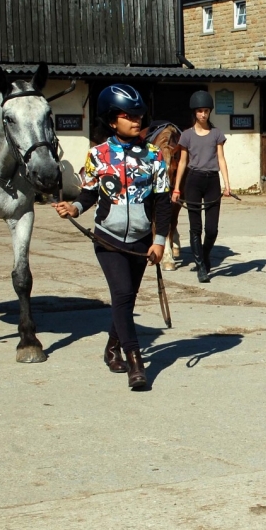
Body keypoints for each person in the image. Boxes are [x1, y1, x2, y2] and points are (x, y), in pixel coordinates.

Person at [51, 85, 170, 390]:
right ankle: (136, 361)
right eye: (128, 115)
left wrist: (159, 241)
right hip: (108, 239)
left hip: (142, 240)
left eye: (139, 115)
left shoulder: (154, 156)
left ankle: (111, 347)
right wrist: (74, 208)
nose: (136, 120)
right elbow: (89, 192)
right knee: (121, 295)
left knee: (127, 299)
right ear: (112, 120)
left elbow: (163, 202)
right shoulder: (98, 155)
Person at [172, 91, 231, 283]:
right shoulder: (187, 136)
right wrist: (176, 188)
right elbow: (182, 162)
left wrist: (227, 184)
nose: (203, 115)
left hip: (212, 180)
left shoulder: (216, 134)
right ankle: (200, 266)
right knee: (195, 227)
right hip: (193, 181)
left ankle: (205, 255)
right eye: (200, 111)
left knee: (212, 229)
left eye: (206, 111)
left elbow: (221, 159)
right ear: (194, 113)